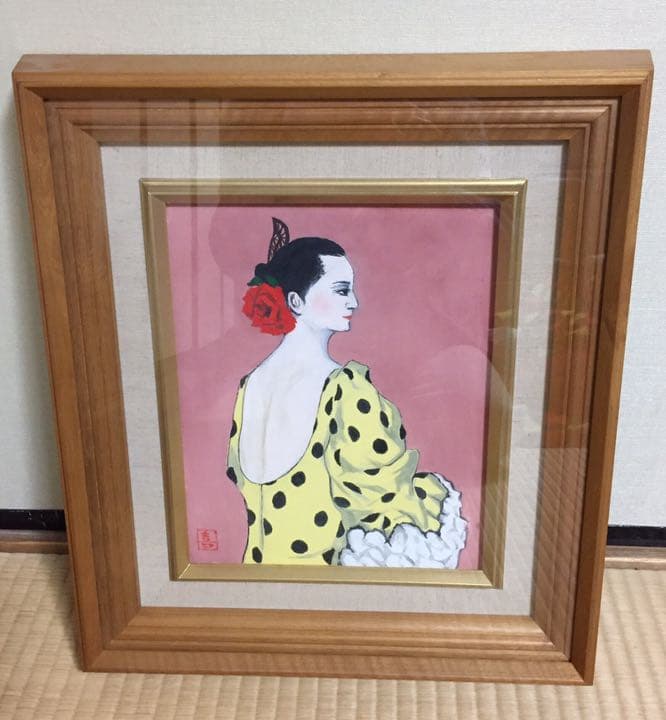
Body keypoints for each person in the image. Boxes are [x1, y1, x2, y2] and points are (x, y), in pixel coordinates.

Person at [226, 219, 467, 568]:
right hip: (325, 586)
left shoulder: (249, 386)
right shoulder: (346, 390)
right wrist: (440, 501)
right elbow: (383, 504)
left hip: (256, 577)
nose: (354, 301)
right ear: (295, 301)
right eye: (341, 290)